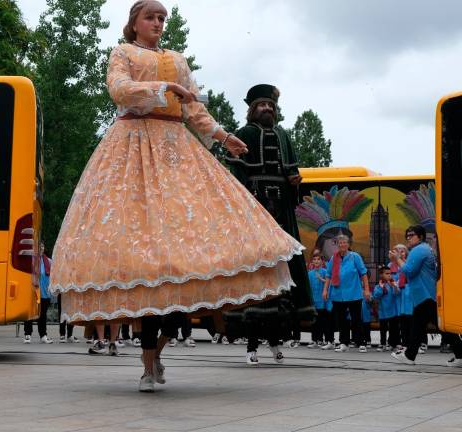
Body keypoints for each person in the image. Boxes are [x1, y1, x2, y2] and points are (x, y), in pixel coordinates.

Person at [49, 0, 303, 393]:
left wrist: (223, 136)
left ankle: (155, 355)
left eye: (162, 18)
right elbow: (119, 91)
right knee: (145, 253)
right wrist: (164, 87)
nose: (157, 23)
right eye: (151, 17)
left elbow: (194, 110)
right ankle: (149, 362)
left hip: (173, 152)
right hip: (131, 148)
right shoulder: (123, 53)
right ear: (134, 23)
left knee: (187, 252)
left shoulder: (178, 59)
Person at [225, 83, 315, 365]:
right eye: (263, 105)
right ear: (253, 109)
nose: (268, 109)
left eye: (271, 106)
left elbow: (293, 173)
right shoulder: (244, 134)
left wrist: (294, 182)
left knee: (284, 271)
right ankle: (251, 346)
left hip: (282, 212)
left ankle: (277, 342)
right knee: (256, 270)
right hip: (256, 207)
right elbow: (236, 174)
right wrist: (246, 202)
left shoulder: (284, 135)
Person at [391, 225, 462, 367]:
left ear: (420, 237)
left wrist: (397, 259)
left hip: (425, 295)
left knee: (439, 328)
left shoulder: (419, 250)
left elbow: (409, 271)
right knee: (418, 327)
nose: (409, 238)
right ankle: (410, 355)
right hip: (426, 294)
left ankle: (461, 355)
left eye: (412, 235)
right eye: (407, 235)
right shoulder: (425, 249)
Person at [323, 235, 370, 353]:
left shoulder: (355, 257)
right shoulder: (334, 258)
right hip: (338, 294)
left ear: (348, 244)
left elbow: (363, 273)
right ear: (337, 245)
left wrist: (367, 289)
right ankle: (344, 342)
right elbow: (328, 275)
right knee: (341, 320)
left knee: (356, 319)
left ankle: (360, 342)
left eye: (344, 242)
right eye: (340, 243)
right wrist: (325, 290)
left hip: (354, 293)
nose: (342, 245)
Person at [24, 249, 54, 344]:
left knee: (43, 315)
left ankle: (43, 335)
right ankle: (27, 335)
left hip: (44, 293)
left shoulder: (48, 261)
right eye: (39, 246)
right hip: (32, 292)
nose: (40, 248)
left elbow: (52, 276)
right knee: (30, 314)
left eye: (42, 246)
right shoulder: (30, 261)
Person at [308, 251, 333, 349]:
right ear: (312, 262)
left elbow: (330, 284)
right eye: (314, 259)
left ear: (322, 261)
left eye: (318, 259)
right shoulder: (309, 274)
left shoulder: (325, 272)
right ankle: (315, 340)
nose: (316, 261)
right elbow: (308, 287)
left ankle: (327, 341)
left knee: (324, 322)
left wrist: (322, 279)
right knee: (314, 322)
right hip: (314, 301)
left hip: (324, 302)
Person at [372, 265, 400, 351]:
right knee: (383, 329)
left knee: (394, 328)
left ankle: (394, 343)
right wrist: (381, 288)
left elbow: (397, 294)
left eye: (390, 274)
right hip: (383, 312)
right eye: (387, 274)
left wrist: (394, 286)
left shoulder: (392, 284)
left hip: (393, 311)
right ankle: (383, 343)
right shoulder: (378, 286)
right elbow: (376, 296)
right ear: (381, 275)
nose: (389, 275)